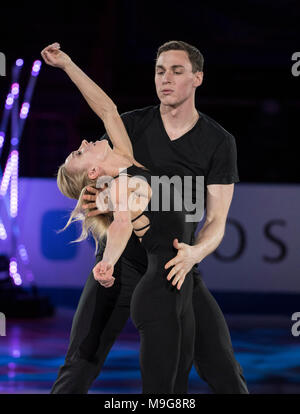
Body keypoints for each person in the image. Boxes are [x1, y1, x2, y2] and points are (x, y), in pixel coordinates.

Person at [41, 40, 249, 394]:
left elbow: (216, 221)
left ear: (198, 78)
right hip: (120, 268)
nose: (165, 78)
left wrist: (194, 254)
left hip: (174, 267)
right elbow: (108, 197)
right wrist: (106, 246)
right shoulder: (131, 132)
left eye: (176, 70)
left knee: (222, 369)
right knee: (80, 363)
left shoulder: (218, 142)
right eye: (159, 70)